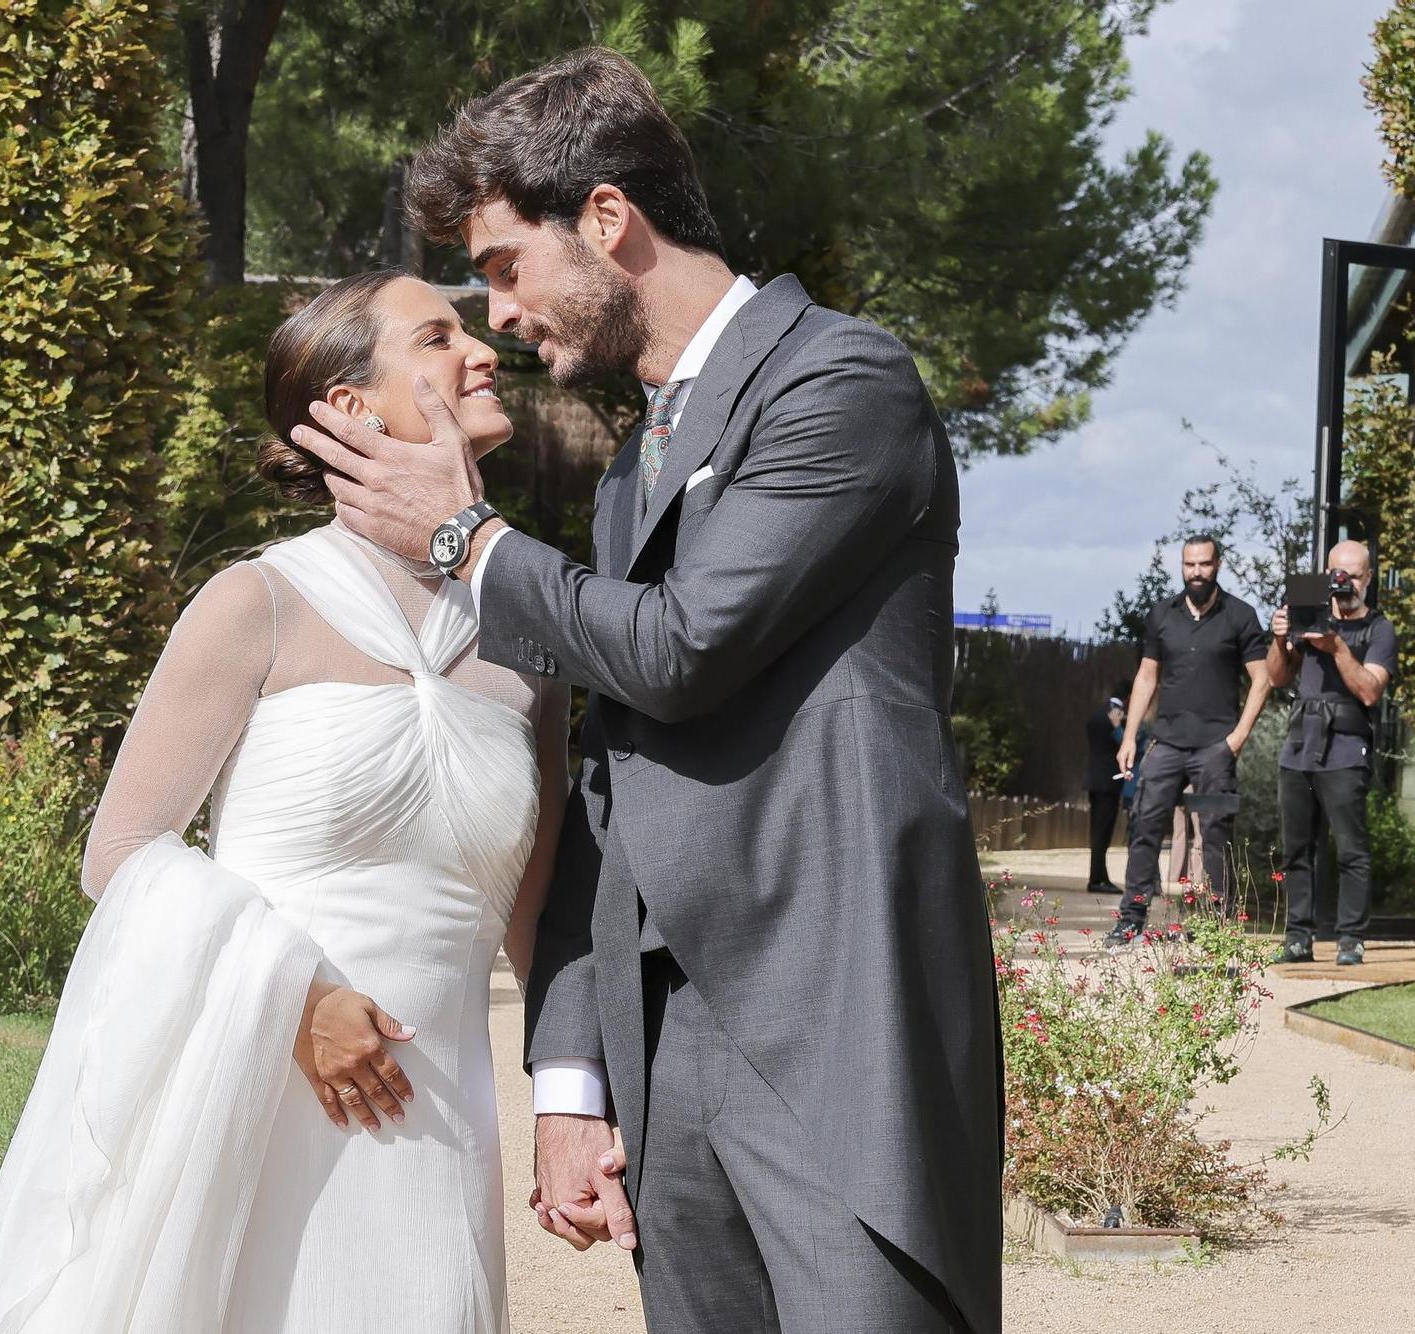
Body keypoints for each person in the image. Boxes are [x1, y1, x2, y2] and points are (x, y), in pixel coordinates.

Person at [288, 47, 1000, 1334]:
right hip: (663, 1060)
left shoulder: (839, 382)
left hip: (834, 1028)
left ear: (605, 219)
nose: (500, 315)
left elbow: (680, 648)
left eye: (504, 267)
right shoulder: (630, 477)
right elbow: (603, 789)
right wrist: (570, 1072)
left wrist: (464, 540)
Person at [0, 270, 572, 1332]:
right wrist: (295, 999)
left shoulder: (531, 636)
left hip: (437, 1120)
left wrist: (573, 1108)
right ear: (350, 407)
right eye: (437, 335)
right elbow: (122, 848)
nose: (482, 351)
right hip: (253, 1087)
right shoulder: (258, 603)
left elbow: (540, 928)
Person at [1108, 537, 1272, 949]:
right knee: (1144, 823)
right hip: (1166, 743)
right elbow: (1147, 676)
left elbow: (1263, 679)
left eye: (1203, 564)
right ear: (1181, 567)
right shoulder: (1163, 614)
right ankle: (1131, 919)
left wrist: (1236, 739)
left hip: (1215, 748)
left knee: (1215, 833)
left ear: (1218, 564)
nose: (1196, 571)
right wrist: (1130, 736)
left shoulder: (1240, 616)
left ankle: (1218, 926)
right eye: (1189, 564)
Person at [1266, 540, 1396, 966]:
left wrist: (1337, 646)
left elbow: (1370, 691)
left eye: (1354, 575)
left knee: (1351, 849)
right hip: (1300, 742)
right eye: (1337, 574)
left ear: (1368, 578)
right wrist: (1282, 639)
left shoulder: (1378, 629)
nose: (1344, 583)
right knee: (1297, 849)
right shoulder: (1309, 616)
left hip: (1344, 745)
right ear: (1325, 575)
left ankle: (1350, 939)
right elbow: (1278, 677)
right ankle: (1298, 937)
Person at [1084, 683, 1130, 893]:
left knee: (1097, 831)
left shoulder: (1097, 713)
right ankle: (1098, 879)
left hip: (1095, 779)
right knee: (1103, 832)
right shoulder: (1116, 715)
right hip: (1110, 781)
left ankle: (1099, 876)